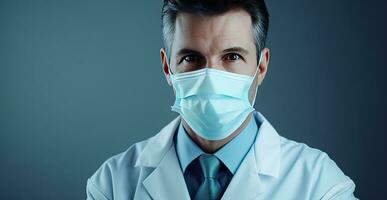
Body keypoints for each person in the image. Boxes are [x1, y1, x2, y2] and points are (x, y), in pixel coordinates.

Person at [86, 0, 357, 199]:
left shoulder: (320, 185)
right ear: (168, 68)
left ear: (260, 67)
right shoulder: (113, 184)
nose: (211, 77)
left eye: (232, 56)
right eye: (191, 58)